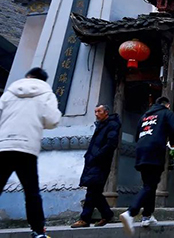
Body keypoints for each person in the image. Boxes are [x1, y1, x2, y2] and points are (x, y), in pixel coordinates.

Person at [0, 67, 61, 238]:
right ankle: (38, 231)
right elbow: (52, 120)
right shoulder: (46, 94)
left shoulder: (9, 92)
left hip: (4, 146)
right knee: (31, 192)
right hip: (26, 148)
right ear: (43, 80)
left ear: (27, 76)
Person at [120, 96, 174, 236]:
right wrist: (173, 142)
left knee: (149, 184)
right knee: (150, 185)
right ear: (167, 105)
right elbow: (172, 129)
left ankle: (147, 216)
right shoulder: (167, 113)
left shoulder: (144, 116)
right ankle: (130, 212)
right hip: (155, 150)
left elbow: (136, 135)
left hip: (141, 151)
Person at [71, 104, 121, 228]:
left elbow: (111, 144)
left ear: (106, 112)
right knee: (95, 192)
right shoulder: (101, 125)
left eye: (99, 111)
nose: (96, 114)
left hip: (101, 163)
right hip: (93, 161)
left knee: (92, 191)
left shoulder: (112, 125)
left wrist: (97, 155)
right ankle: (107, 214)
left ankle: (85, 219)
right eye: (95, 111)